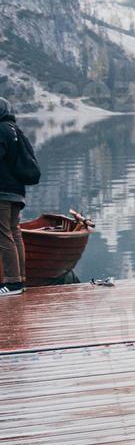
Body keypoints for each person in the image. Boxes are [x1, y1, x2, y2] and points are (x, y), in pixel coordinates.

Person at [0, 97, 42, 297]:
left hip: (2, 192)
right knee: (14, 233)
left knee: (3, 234)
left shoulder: (0, 130)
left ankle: (12, 283)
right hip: (17, 192)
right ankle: (21, 280)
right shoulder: (15, 130)